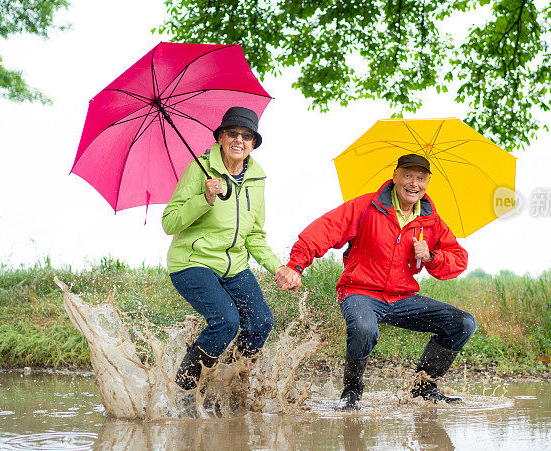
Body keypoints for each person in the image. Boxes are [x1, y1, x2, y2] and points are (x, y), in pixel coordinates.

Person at [275, 154, 475, 410]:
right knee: (364, 329)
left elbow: (458, 259)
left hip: (403, 298)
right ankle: (352, 391)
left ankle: (424, 388)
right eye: (408, 176)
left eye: (421, 178)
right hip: (360, 292)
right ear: (395, 176)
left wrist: (432, 256)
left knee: (463, 323)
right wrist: (296, 265)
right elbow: (322, 231)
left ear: (427, 183)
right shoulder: (366, 207)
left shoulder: (430, 221)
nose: (414, 183)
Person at [162, 106, 299, 391]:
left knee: (261, 321)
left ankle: (229, 385)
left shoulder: (257, 180)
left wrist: (278, 266)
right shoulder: (197, 169)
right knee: (226, 320)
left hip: (234, 265)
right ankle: (183, 390)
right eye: (233, 133)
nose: (239, 140)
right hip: (193, 262)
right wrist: (205, 197)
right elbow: (170, 222)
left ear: (253, 143)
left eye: (247, 136)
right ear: (221, 137)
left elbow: (254, 236)